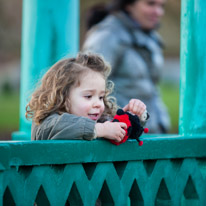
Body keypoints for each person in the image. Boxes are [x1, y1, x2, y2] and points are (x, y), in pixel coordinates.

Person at [82, 0, 170, 133]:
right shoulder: (107, 36)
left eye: (161, 6)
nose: (158, 12)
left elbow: (150, 88)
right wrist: (108, 126)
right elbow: (86, 88)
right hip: (121, 137)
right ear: (128, 4)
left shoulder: (151, 36)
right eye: (150, 4)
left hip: (149, 131)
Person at [25, 52, 146, 141]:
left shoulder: (100, 121)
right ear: (63, 97)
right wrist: (100, 130)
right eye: (88, 96)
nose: (98, 103)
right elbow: (55, 127)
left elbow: (117, 128)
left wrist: (132, 117)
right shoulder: (46, 122)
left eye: (100, 97)